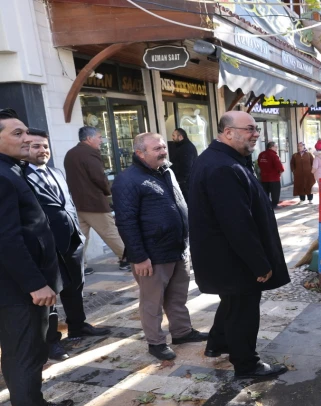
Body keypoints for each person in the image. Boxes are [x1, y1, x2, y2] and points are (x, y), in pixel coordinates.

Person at [0, 109, 88, 406]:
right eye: (17, 134)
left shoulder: (13, 170)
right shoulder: (3, 176)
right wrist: (35, 283)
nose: (27, 139)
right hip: (16, 290)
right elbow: (6, 238)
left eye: (27, 133)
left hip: (23, 285)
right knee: (24, 353)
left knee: (32, 351)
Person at [189, 111, 290, 378]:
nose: (256, 133)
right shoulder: (223, 166)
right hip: (233, 258)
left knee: (232, 303)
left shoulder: (224, 159)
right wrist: (259, 262)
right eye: (249, 129)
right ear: (228, 132)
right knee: (243, 311)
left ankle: (217, 344)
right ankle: (247, 365)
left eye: (256, 129)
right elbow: (237, 223)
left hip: (226, 256)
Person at [112, 133, 207, 361]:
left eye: (163, 147)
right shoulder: (127, 180)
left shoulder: (167, 171)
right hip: (152, 255)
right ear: (140, 153)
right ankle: (155, 342)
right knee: (152, 302)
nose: (163, 151)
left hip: (177, 248)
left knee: (177, 296)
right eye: (157, 149)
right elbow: (126, 222)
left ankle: (182, 332)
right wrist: (138, 256)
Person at [24, 129, 111, 361]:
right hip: (46, 249)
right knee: (50, 297)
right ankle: (51, 341)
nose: (42, 150)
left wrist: (78, 236)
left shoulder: (56, 172)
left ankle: (78, 325)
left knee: (75, 288)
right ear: (25, 149)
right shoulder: (20, 177)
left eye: (45, 146)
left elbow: (67, 203)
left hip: (71, 241)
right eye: (35, 146)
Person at [64, 126, 129, 272]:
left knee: (79, 237)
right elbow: (99, 177)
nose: (101, 140)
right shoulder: (90, 153)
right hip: (93, 202)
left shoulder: (70, 153)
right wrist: (108, 191)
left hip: (76, 202)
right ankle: (126, 258)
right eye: (99, 137)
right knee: (110, 232)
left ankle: (78, 265)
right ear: (89, 138)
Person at [169, 128, 198, 200]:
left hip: (185, 183)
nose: (172, 138)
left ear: (180, 137)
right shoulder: (180, 146)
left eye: (174, 135)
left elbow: (187, 166)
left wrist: (180, 180)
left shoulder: (186, 148)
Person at [257, 141, 285, 208]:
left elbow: (259, 164)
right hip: (274, 177)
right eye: (275, 147)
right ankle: (274, 205)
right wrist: (280, 172)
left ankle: (266, 205)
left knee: (265, 192)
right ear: (271, 147)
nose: (276, 148)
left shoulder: (261, 154)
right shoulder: (274, 155)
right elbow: (279, 167)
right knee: (275, 192)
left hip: (264, 177)